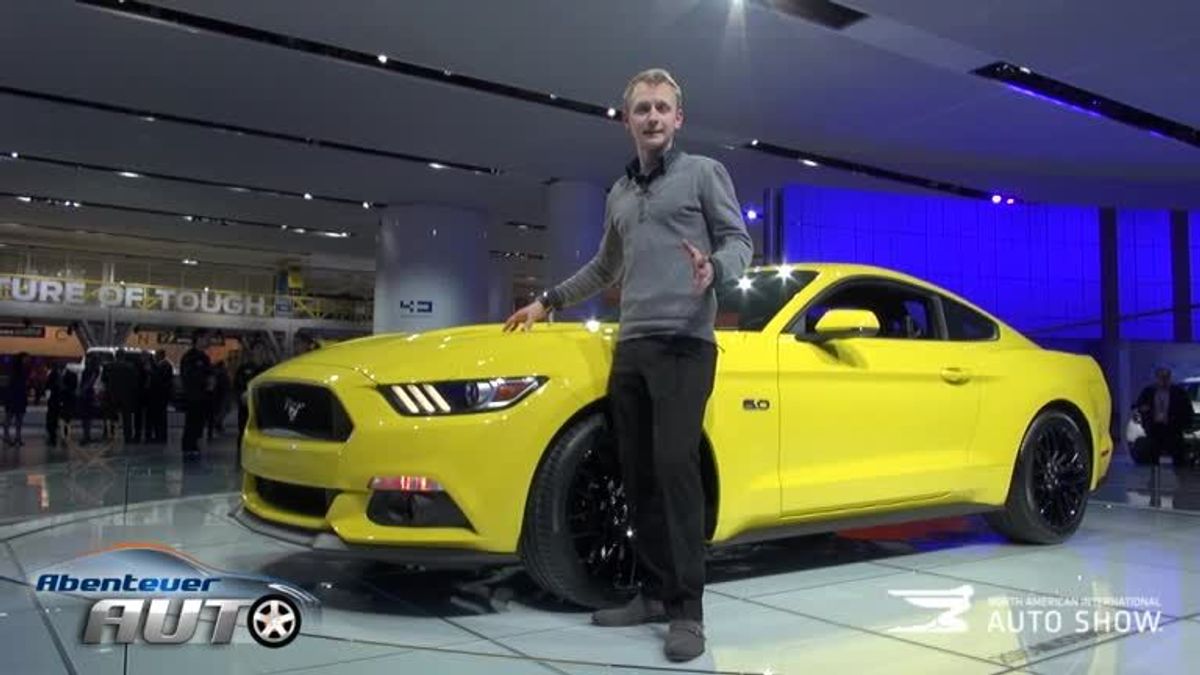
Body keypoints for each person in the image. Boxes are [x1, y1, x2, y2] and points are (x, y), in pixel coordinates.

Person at [503, 68, 752, 662]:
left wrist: (714, 269)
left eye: (663, 108)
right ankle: (651, 592)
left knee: (674, 470)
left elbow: (739, 242)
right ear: (627, 120)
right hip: (633, 347)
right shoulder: (619, 194)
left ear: (678, 118)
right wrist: (547, 301)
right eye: (642, 109)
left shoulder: (703, 174)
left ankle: (687, 611)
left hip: (687, 346)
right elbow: (602, 268)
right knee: (635, 475)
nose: (653, 117)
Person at [1134, 366, 1194, 465]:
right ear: (1157, 378)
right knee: (1153, 457)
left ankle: (1180, 477)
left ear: (1169, 377)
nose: (1164, 379)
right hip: (1154, 429)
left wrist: (1185, 425)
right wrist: (1143, 411)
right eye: (1161, 377)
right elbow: (1139, 405)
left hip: (1173, 429)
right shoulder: (1148, 392)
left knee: (1178, 458)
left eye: (1166, 377)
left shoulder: (1178, 392)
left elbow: (1187, 409)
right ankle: (1154, 478)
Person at [180, 332, 212, 458]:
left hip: (203, 396)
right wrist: (203, 380)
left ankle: (195, 444)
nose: (207, 341)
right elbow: (188, 376)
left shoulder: (205, 358)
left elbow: (208, 373)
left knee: (199, 422)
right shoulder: (189, 357)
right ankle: (188, 445)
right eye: (205, 338)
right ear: (198, 339)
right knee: (191, 421)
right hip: (193, 395)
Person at [3, 352, 30, 446]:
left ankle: (16, 437)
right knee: (11, 418)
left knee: (17, 419)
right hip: (15, 396)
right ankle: (8, 436)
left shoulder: (22, 371)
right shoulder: (17, 371)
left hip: (18, 396)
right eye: (26, 358)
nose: (27, 360)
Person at [147, 350, 173, 443]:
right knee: (160, 416)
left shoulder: (164, 365)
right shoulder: (165, 365)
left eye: (156, 355)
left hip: (160, 395)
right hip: (161, 394)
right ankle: (160, 435)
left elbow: (159, 379)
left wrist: (151, 371)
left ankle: (160, 436)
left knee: (160, 416)